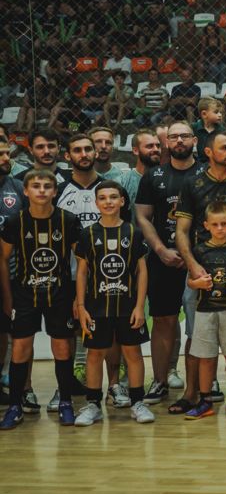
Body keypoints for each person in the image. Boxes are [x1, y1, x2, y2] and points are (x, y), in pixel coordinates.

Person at [174, 129, 226, 408]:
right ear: (208, 152)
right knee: (195, 333)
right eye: (225, 148)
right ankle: (191, 393)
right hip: (201, 271)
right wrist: (192, 266)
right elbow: (181, 231)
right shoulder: (193, 183)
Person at [0, 171, 81, 426]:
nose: (42, 190)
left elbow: (82, 261)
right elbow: (3, 259)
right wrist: (7, 297)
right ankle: (15, 406)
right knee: (20, 348)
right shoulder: (15, 222)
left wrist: (78, 299)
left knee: (62, 347)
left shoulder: (68, 220)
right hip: (24, 295)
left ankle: (65, 402)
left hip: (60, 294)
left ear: (55, 192)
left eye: (47, 186)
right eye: (36, 186)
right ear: (26, 191)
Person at [72, 182, 151, 426]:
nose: (108, 202)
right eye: (103, 198)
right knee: (95, 354)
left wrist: (140, 306)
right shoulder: (87, 234)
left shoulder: (133, 232)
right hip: (96, 307)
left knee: (133, 353)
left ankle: (138, 402)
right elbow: (82, 272)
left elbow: (142, 271)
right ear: (96, 203)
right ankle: (93, 405)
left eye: (113, 197)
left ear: (122, 201)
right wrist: (81, 306)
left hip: (128, 306)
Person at [134, 121, 197, 406]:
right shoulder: (153, 176)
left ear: (194, 140)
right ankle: (159, 381)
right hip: (163, 260)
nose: (179, 141)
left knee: (200, 324)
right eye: (174, 137)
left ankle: (200, 384)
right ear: (166, 143)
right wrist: (160, 250)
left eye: (185, 136)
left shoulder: (207, 173)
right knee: (163, 320)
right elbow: (143, 217)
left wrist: (193, 256)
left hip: (199, 261)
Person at [181, 201, 226, 420]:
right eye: (215, 224)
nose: (220, 228)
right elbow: (191, 282)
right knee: (205, 358)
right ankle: (205, 401)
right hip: (205, 311)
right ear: (206, 225)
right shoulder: (198, 251)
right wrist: (197, 284)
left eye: (224, 224)